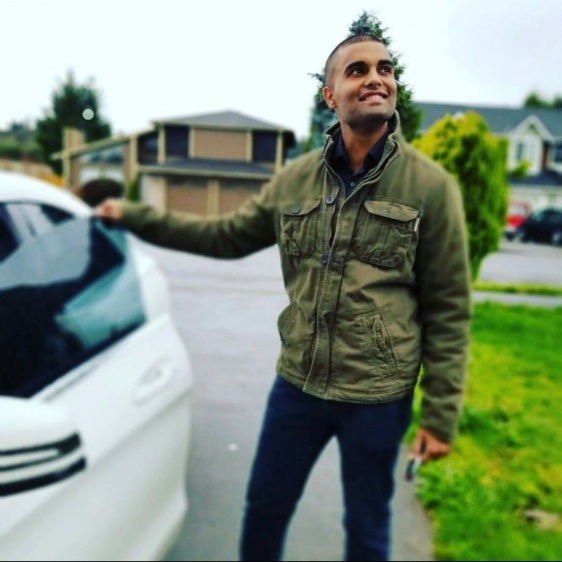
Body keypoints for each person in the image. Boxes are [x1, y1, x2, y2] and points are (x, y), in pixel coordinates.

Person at [95, 33, 471, 562]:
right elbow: (224, 236)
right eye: (358, 70)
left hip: (378, 397)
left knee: (367, 527)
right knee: (265, 509)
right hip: (298, 386)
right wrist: (134, 215)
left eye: (385, 69)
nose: (376, 78)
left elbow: (449, 307)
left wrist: (440, 413)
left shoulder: (430, 187)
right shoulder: (295, 180)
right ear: (330, 95)